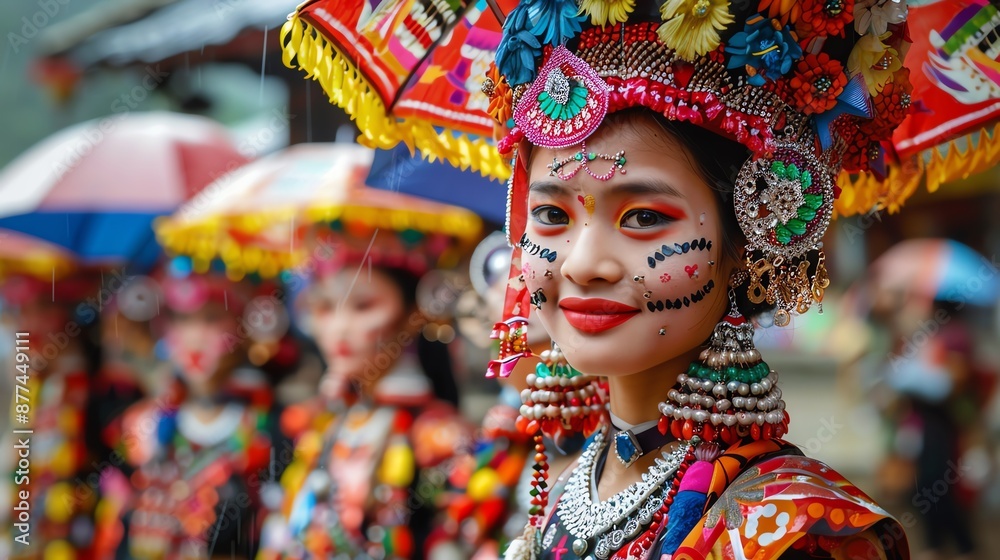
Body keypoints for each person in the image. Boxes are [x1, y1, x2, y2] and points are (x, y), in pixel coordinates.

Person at [472, 1, 914, 558]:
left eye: (644, 219)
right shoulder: (566, 482)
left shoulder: (793, 531)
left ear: (749, 238)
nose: (582, 264)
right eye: (552, 216)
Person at [256, 194, 482, 560]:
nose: (340, 329)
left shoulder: (441, 439)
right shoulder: (319, 424)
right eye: (325, 307)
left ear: (415, 312)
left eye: (364, 305)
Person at [106, 260, 286, 559]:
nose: (194, 336)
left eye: (212, 318)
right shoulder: (142, 426)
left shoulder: (270, 427)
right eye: (180, 319)